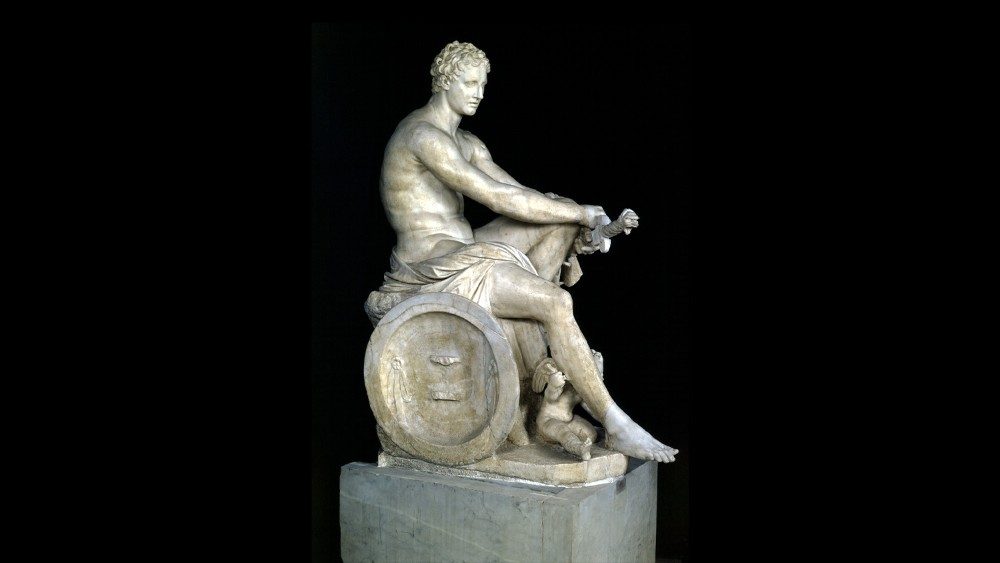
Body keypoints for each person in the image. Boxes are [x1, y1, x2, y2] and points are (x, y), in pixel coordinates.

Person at [365, 41, 676, 464]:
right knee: (557, 300)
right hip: (431, 266)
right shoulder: (423, 137)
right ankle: (615, 421)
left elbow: (519, 194)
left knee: (554, 214)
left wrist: (579, 220)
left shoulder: (467, 142)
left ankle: (538, 348)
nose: (478, 93)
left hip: (462, 247)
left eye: (483, 84)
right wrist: (581, 212)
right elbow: (496, 198)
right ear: (444, 82)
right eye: (469, 83)